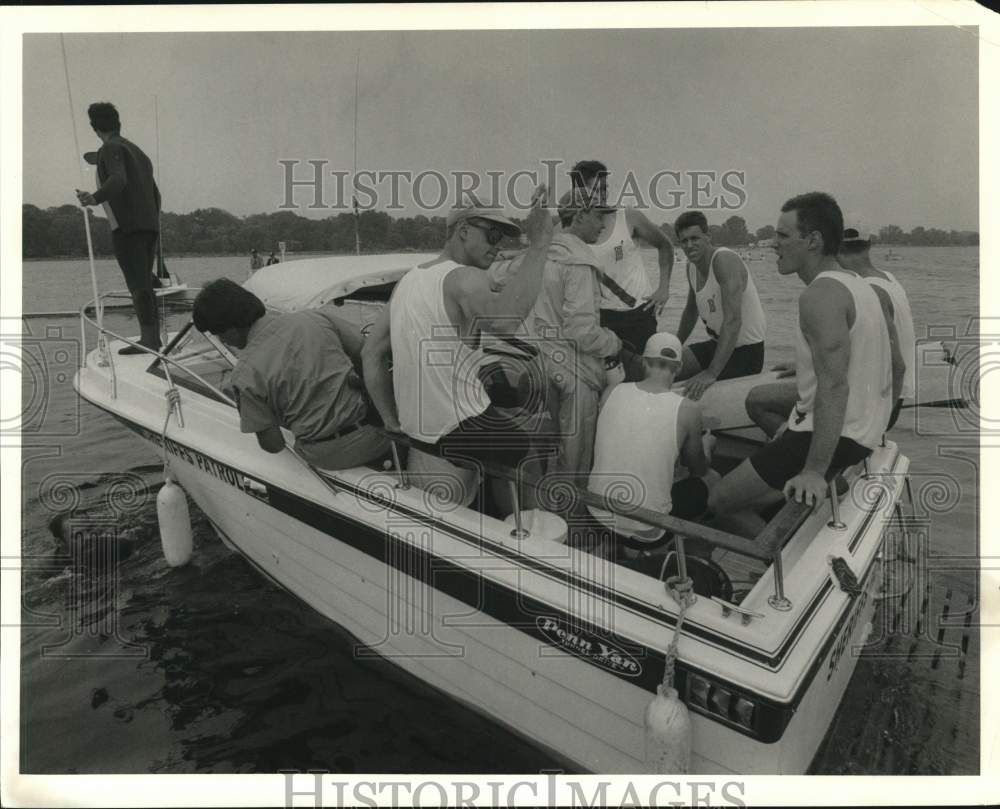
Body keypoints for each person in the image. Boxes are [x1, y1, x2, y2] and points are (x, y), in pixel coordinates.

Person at [708, 192, 904, 537]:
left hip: (832, 434)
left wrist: (814, 470)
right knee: (764, 414)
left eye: (783, 235)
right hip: (863, 432)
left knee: (720, 501)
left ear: (813, 240)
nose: (773, 243)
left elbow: (834, 385)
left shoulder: (819, 295)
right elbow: (895, 365)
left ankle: (779, 556)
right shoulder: (862, 286)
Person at [362, 188, 555, 510]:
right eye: (493, 235)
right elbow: (506, 323)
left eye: (503, 238)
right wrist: (540, 244)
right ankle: (525, 526)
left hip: (418, 426)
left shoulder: (409, 280)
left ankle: (500, 509)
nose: (499, 246)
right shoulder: (465, 277)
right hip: (455, 425)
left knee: (507, 418)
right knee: (531, 443)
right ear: (463, 230)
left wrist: (390, 421)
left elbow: (371, 353)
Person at [192, 278, 391, 471]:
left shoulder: (244, 375)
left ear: (230, 329)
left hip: (327, 456)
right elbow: (370, 355)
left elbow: (273, 444)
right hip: (377, 439)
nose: (223, 341)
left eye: (218, 334)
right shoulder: (315, 318)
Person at [500, 188, 623, 481]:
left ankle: (542, 502)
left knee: (548, 449)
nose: (604, 225)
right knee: (575, 464)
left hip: (542, 366)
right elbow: (582, 332)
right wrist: (613, 342)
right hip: (575, 375)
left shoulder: (539, 255)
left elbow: (497, 278)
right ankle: (572, 509)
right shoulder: (579, 262)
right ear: (579, 216)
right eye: (599, 216)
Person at [588, 332, 715, 552]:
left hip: (595, 515)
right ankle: (677, 553)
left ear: (644, 362)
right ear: (679, 368)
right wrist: (708, 445)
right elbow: (698, 469)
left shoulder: (611, 392)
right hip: (646, 532)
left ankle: (614, 546)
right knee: (712, 480)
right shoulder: (688, 409)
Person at [569, 161, 675, 372]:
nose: (603, 195)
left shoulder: (628, 217)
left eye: (605, 188)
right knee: (608, 377)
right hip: (601, 318)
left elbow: (665, 245)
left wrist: (664, 288)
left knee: (647, 373)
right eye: (596, 190)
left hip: (640, 312)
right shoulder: (571, 228)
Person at [75, 102, 162, 354]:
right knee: (145, 281)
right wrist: (151, 222)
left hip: (128, 228)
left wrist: (94, 198)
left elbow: (118, 179)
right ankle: (153, 337)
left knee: (137, 284)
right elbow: (156, 195)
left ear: (94, 127)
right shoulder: (138, 152)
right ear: (118, 123)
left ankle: (149, 341)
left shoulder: (110, 148)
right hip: (148, 226)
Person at [672, 210, 768, 400]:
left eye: (695, 238)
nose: (689, 245)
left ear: (708, 236)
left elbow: (733, 320)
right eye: (684, 241)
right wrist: (674, 347)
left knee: (685, 392)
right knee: (663, 367)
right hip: (717, 345)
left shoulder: (724, 260)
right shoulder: (691, 266)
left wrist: (711, 373)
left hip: (746, 354)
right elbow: (691, 311)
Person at [839, 222, 915, 429]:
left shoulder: (868, 290)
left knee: (761, 402)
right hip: (894, 394)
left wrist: (877, 425)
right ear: (869, 244)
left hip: (877, 403)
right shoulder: (888, 278)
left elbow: (896, 365)